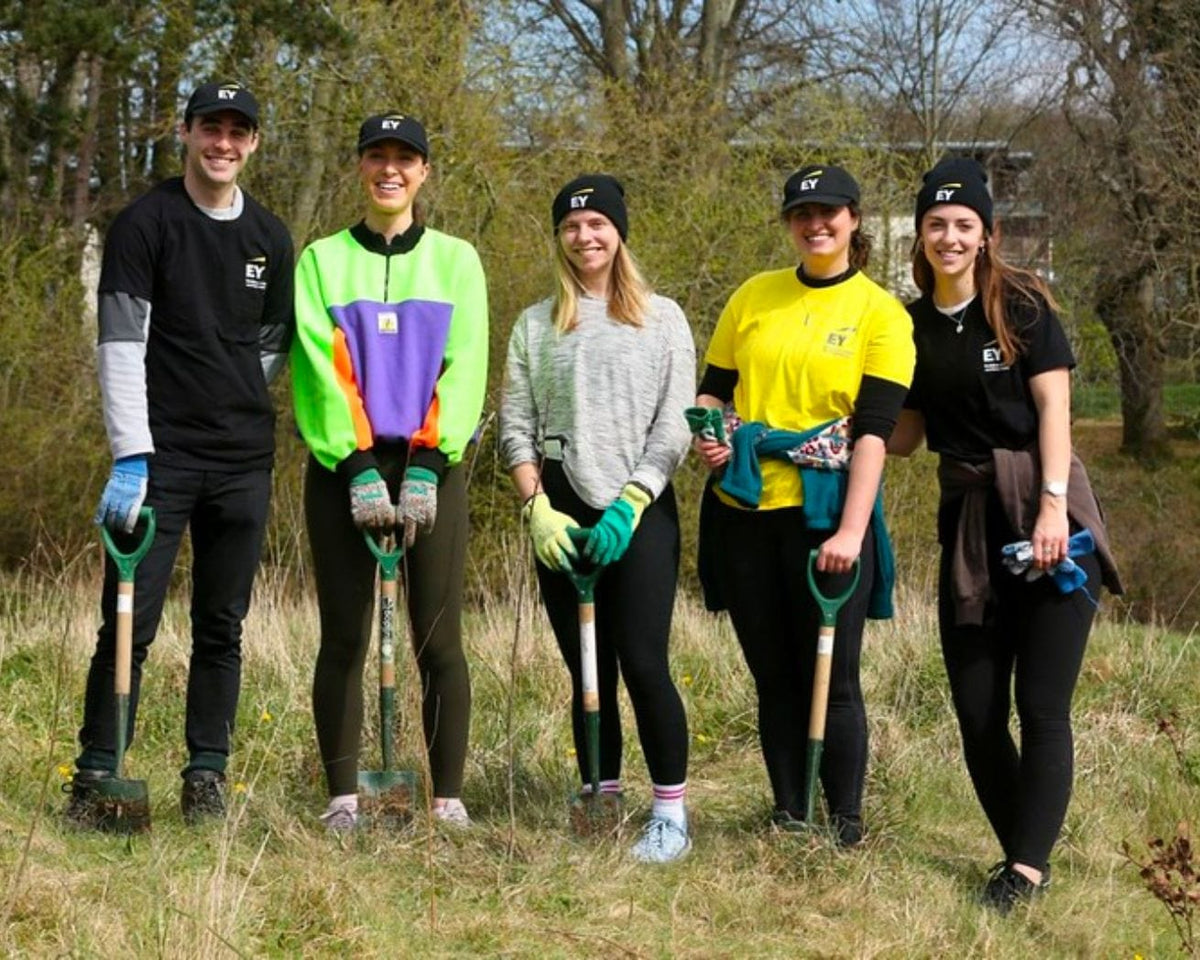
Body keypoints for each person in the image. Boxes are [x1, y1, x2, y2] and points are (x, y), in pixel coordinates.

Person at [888, 158, 1122, 912]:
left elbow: (1057, 412)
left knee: (1042, 706)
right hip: (967, 527)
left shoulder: (1020, 304)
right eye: (935, 225)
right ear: (919, 238)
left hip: (1046, 509)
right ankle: (1028, 848)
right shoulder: (909, 326)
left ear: (986, 235)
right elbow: (906, 436)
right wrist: (839, 425)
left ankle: (1022, 871)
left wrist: (1053, 506)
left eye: (963, 225)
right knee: (978, 713)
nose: (949, 237)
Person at [69, 81, 295, 825]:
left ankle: (206, 777)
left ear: (254, 143)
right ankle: (97, 777)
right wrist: (132, 451)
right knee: (129, 621)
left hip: (242, 463)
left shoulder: (269, 236)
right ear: (186, 132)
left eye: (238, 131)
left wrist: (224, 391)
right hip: (158, 462)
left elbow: (270, 346)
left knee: (222, 628)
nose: (223, 143)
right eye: (211, 128)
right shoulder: (145, 224)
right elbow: (119, 345)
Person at [692, 164, 914, 846]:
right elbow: (712, 393)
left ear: (854, 219)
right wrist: (710, 437)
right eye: (801, 214)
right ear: (788, 223)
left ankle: (845, 823)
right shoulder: (753, 296)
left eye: (829, 212)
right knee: (773, 675)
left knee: (835, 675)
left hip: (826, 516)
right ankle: (789, 813)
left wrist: (851, 529)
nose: (816, 225)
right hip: (747, 511)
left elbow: (874, 433)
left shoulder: (881, 313)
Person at [290, 113, 488, 832]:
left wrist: (430, 463)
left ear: (424, 172)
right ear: (359, 167)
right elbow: (318, 368)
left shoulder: (458, 261)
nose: (390, 169)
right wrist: (355, 463)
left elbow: (465, 366)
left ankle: (448, 799)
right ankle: (344, 800)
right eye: (377, 156)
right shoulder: (319, 261)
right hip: (345, 467)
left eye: (405, 158)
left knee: (439, 638)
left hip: (433, 466)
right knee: (344, 634)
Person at [499, 175, 696, 863]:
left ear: (619, 232)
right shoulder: (534, 324)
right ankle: (600, 793)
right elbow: (515, 429)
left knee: (643, 660)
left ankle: (669, 811)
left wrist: (634, 501)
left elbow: (673, 426)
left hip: (639, 512)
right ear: (559, 237)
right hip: (561, 511)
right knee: (586, 667)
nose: (585, 236)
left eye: (596, 223)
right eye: (571, 226)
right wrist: (536, 508)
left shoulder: (663, 318)